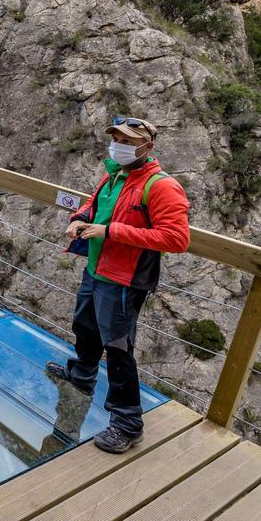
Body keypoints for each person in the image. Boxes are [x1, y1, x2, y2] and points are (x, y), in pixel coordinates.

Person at [47, 116, 190, 454]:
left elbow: (176, 238)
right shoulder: (114, 174)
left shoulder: (161, 185)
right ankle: (82, 376)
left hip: (125, 280)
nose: (120, 146)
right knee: (85, 326)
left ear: (147, 146)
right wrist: (79, 219)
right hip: (97, 269)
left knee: (118, 349)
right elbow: (92, 206)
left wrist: (109, 231)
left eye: (128, 141)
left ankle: (127, 422)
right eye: (117, 139)